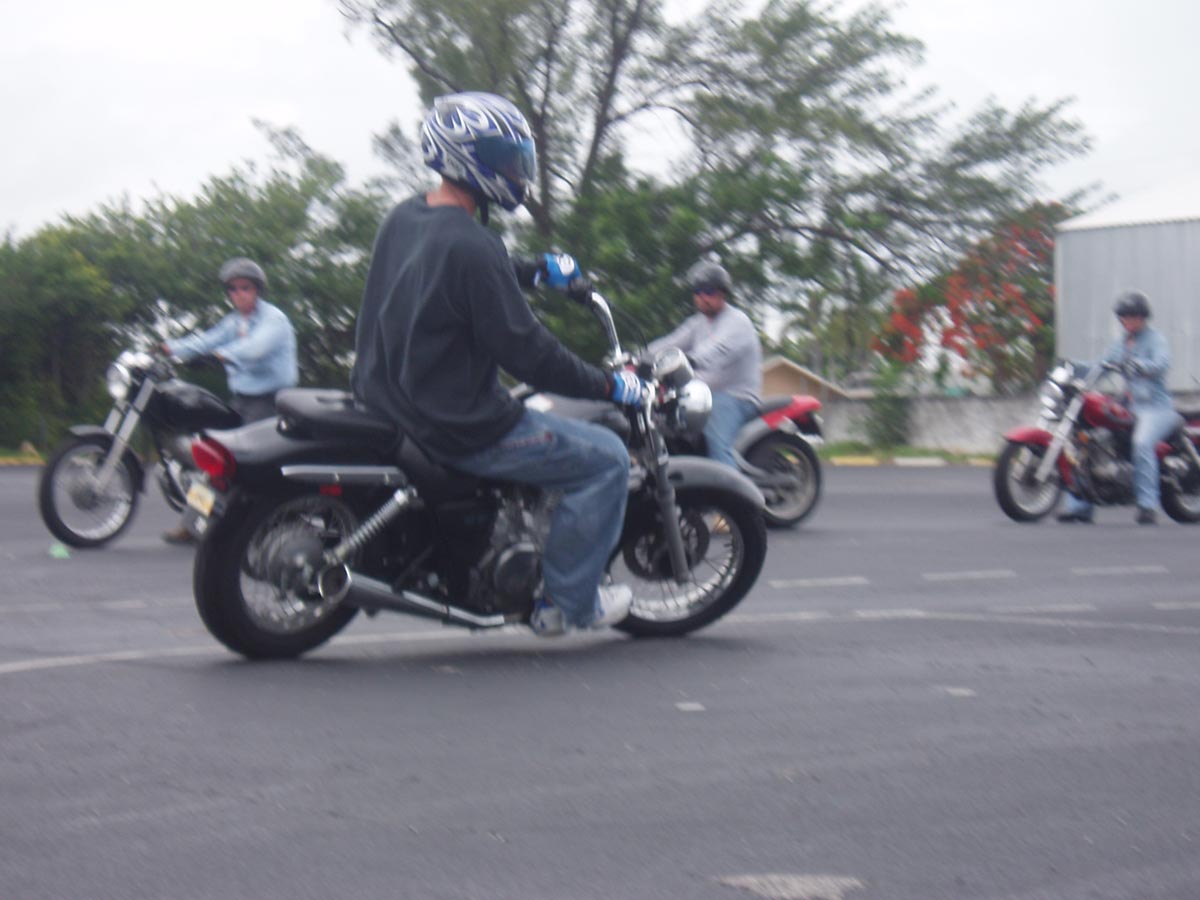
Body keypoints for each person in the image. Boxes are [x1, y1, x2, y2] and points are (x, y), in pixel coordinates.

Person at [350, 91, 647, 636]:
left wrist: (534, 271)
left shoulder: (407, 217)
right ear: (470, 159)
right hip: (458, 425)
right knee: (606, 458)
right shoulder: (473, 245)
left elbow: (453, 272)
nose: (517, 173)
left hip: (391, 398)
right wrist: (610, 386)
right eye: (506, 160)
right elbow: (530, 355)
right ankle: (568, 605)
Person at [160, 257, 298, 543]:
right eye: (233, 289)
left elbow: (254, 349)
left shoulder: (274, 320)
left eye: (245, 288)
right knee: (214, 460)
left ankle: (259, 527)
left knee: (246, 465)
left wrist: (220, 356)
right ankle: (193, 524)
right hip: (241, 400)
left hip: (270, 403)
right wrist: (170, 349)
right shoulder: (234, 321)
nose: (239, 294)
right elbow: (206, 340)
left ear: (257, 289)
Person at [1058, 291, 1180, 526]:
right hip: (1129, 407)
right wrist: (1072, 366)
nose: (1128, 320)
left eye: (1133, 315)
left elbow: (1163, 362)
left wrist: (1141, 365)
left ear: (1143, 317)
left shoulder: (1156, 340)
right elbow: (1100, 367)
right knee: (1086, 441)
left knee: (1142, 443)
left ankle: (1147, 506)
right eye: (1124, 316)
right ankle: (1079, 507)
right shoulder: (1121, 344)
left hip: (1156, 409)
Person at [647, 260, 763, 468]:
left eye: (708, 291)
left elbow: (716, 351)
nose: (702, 297)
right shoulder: (697, 323)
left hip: (735, 397)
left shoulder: (737, 322)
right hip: (702, 394)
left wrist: (688, 361)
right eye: (697, 291)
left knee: (716, 441)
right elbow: (671, 342)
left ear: (722, 293)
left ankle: (730, 487)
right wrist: (640, 357)